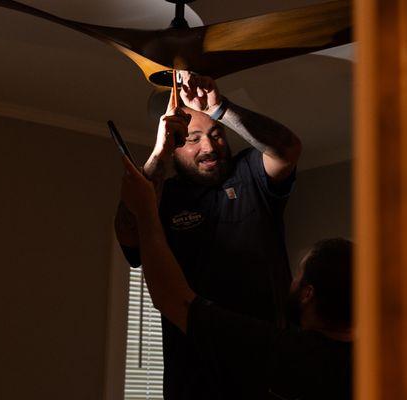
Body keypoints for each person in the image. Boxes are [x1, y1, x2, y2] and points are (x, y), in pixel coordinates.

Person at [115, 72, 302, 399]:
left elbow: (288, 149)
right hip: (195, 380)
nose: (210, 146)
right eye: (193, 138)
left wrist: (220, 107)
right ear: (175, 147)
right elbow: (129, 231)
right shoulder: (163, 197)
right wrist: (159, 152)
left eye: (217, 134)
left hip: (267, 373)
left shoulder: (250, 174)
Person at [118, 153, 353, 400]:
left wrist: (145, 211)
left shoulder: (290, 354)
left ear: (308, 294)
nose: (290, 281)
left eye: (299, 275)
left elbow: (173, 298)